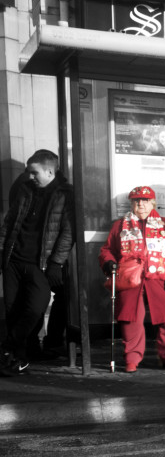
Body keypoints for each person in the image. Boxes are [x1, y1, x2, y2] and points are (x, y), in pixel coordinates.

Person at [0, 150, 74, 377]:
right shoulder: (25, 190)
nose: (30, 177)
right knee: (13, 310)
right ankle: (18, 359)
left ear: (50, 171)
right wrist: (2, 250)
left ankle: (6, 347)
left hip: (40, 263)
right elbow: (9, 223)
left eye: (34, 173)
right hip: (14, 260)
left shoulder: (65, 194)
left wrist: (56, 263)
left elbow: (67, 233)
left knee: (34, 307)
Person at [98, 186, 165, 372]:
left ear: (152, 203)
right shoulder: (120, 225)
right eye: (136, 200)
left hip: (161, 278)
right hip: (131, 279)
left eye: (145, 200)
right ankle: (132, 358)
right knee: (130, 318)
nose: (141, 204)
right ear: (131, 203)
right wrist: (108, 262)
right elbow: (107, 250)